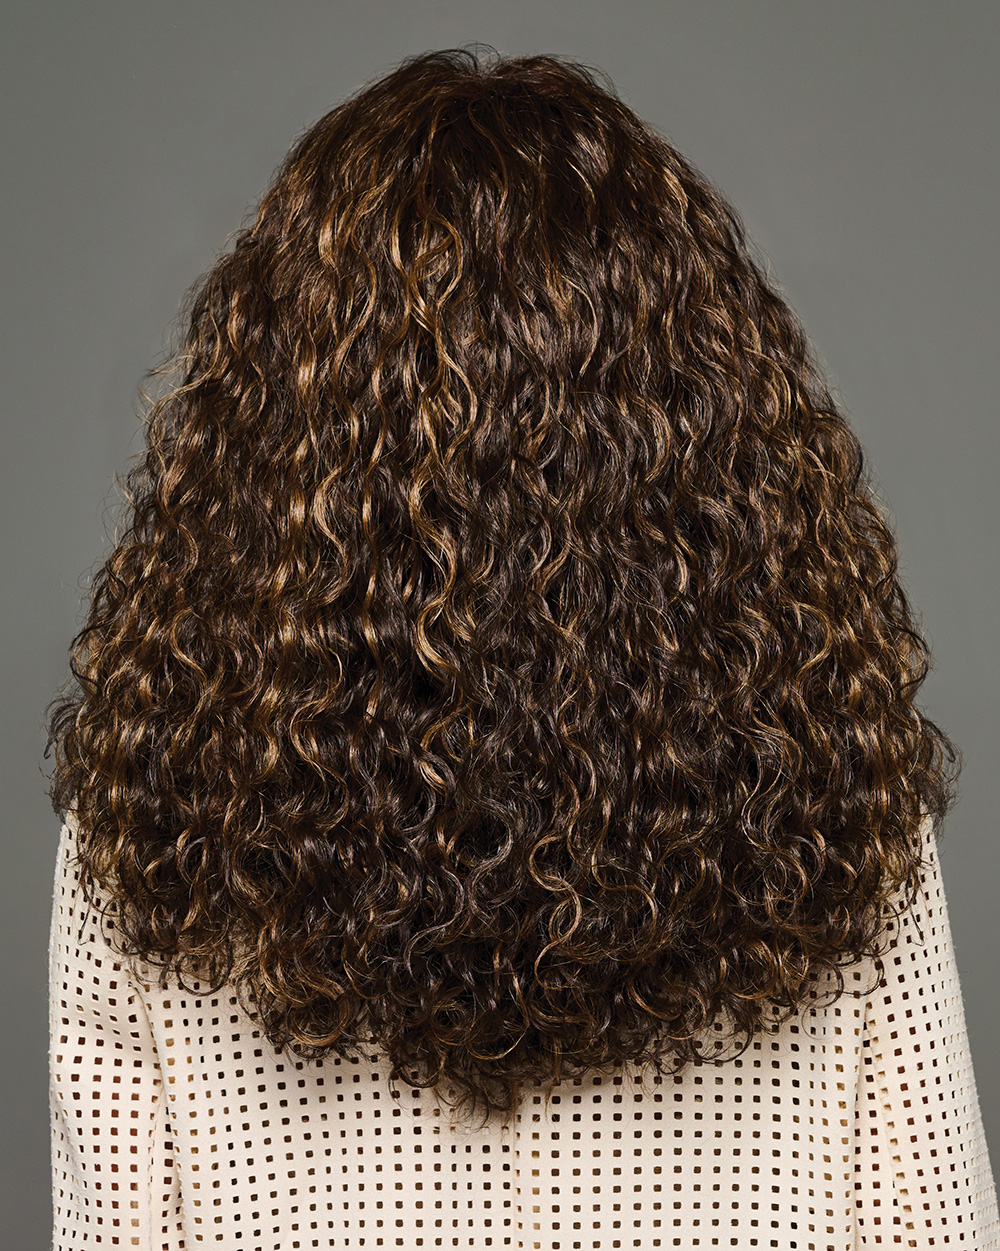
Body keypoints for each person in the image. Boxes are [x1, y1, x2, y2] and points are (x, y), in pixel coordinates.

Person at [45, 45, 998, 1249]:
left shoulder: (158, 824)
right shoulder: (832, 803)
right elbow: (930, 1220)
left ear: (276, 437)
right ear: (697, 425)